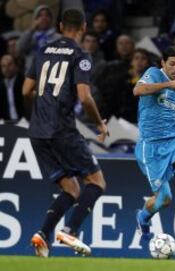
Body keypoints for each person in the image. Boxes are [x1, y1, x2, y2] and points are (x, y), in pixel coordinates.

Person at [22, 9, 108, 257]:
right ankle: (71, 230)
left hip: (38, 131)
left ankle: (42, 234)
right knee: (96, 182)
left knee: (71, 190)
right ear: (83, 27)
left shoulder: (43, 51)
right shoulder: (80, 55)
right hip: (61, 130)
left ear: (60, 26)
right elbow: (85, 96)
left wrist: (44, 102)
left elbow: (26, 90)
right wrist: (99, 124)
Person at [133, 46, 175, 239]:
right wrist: (165, 85)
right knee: (163, 199)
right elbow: (137, 90)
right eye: (172, 63)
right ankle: (143, 218)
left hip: (174, 138)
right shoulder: (154, 74)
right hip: (151, 145)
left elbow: (168, 109)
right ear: (163, 63)